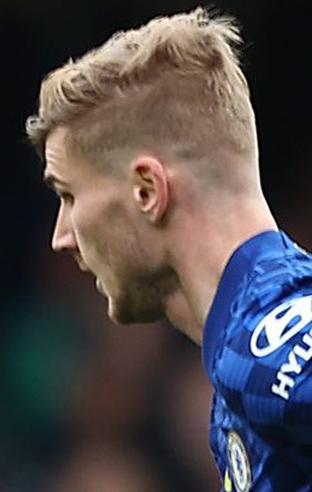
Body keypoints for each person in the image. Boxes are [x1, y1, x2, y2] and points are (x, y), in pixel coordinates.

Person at [27, 7, 312, 492]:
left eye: (69, 196)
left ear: (147, 191)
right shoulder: (242, 351)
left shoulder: (265, 344)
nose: (62, 236)